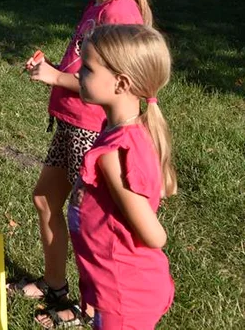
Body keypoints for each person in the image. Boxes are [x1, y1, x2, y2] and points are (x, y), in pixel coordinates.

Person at [10, 0, 153, 326]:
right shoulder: (98, 4)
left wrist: (55, 77)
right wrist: (55, 72)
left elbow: (114, 85)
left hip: (91, 130)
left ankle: (90, 307)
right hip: (71, 123)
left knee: (87, 222)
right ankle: (56, 286)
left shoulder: (121, 13)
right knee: (44, 200)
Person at [54, 24, 175, 329]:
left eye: (89, 69)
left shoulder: (114, 156)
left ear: (121, 83)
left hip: (124, 294)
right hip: (111, 286)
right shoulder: (123, 130)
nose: (78, 73)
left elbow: (154, 236)